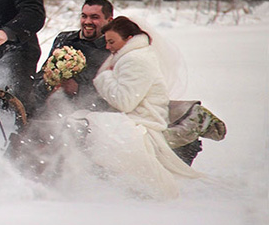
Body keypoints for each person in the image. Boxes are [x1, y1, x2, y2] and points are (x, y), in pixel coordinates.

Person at [73, 16, 203, 199]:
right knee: (79, 121)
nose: (108, 47)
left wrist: (104, 78)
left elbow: (124, 101)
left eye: (111, 42)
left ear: (128, 39)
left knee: (82, 126)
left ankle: (89, 185)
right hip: (134, 117)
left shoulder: (136, 60)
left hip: (143, 121)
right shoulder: (131, 56)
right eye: (106, 42)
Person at [28, 0, 114, 116]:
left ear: (109, 20)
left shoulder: (112, 48)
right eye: (84, 16)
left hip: (86, 116)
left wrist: (78, 90)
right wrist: (50, 81)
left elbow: (112, 95)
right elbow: (43, 74)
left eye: (95, 17)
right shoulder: (64, 39)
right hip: (47, 109)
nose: (87, 22)